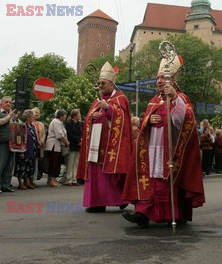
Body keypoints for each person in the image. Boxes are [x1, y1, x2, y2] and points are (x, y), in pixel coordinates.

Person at [122, 55, 205, 228]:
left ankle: (171, 214)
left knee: (164, 182)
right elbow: (144, 120)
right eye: (158, 77)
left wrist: (174, 98)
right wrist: (148, 121)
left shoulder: (181, 97)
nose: (159, 81)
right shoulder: (154, 100)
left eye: (163, 78)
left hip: (171, 150)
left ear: (173, 80)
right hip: (152, 149)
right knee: (150, 180)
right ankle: (143, 213)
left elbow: (185, 118)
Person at [77, 62, 132, 212]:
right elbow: (88, 119)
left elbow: (122, 118)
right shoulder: (97, 100)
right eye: (99, 83)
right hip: (96, 143)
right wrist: (92, 117)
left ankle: (122, 198)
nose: (100, 85)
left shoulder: (121, 99)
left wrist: (108, 108)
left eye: (103, 83)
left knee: (111, 176)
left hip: (110, 146)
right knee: (95, 174)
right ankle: (96, 203)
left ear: (112, 84)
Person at [0, 96, 17, 194]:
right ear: (1, 104)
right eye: (6, 102)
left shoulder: (12, 114)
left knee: (9, 166)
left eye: (10, 102)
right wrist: (8, 116)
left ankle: (6, 185)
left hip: (12, 143)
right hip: (1, 142)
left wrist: (16, 120)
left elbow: (16, 126)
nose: (9, 104)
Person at [45, 109, 69, 187]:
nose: (66, 117)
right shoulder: (56, 122)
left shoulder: (59, 122)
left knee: (56, 163)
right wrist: (66, 142)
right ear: (61, 116)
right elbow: (60, 135)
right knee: (54, 163)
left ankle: (53, 179)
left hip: (56, 145)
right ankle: (52, 179)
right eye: (65, 115)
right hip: (53, 145)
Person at [14, 110, 37, 190]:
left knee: (29, 166)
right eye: (32, 117)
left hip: (32, 149)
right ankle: (20, 183)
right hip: (24, 150)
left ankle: (27, 182)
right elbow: (20, 139)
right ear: (28, 117)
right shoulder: (22, 126)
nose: (33, 118)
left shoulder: (32, 126)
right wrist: (21, 151)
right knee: (22, 166)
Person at [64, 109, 82, 186]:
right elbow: (70, 135)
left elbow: (81, 133)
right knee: (70, 163)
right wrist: (79, 140)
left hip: (78, 145)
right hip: (72, 144)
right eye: (79, 114)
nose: (80, 115)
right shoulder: (68, 124)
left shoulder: (79, 123)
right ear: (74, 115)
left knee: (76, 163)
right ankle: (68, 179)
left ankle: (74, 179)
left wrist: (81, 140)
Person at [31, 107, 46, 184]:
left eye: (38, 112)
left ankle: (34, 178)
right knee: (31, 163)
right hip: (32, 145)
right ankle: (30, 179)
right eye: (35, 112)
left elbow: (43, 134)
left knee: (37, 163)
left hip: (40, 146)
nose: (37, 113)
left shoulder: (41, 124)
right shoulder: (29, 124)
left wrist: (41, 141)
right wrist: (37, 141)